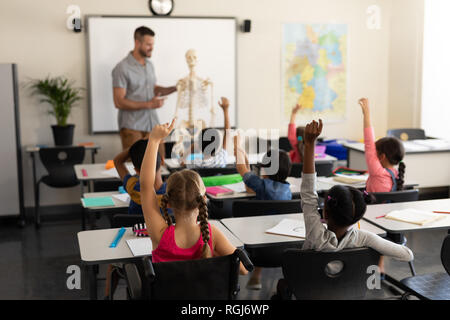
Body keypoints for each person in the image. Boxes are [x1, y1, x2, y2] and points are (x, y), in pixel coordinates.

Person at [272, 119, 414, 299]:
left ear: (324, 213)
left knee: (282, 285)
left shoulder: (315, 234)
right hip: (348, 293)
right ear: (357, 217)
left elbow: (308, 192)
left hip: (310, 291)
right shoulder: (364, 237)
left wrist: (309, 145)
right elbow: (407, 255)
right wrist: (376, 248)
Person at [139, 119, 248, 274]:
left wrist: (154, 140)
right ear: (204, 200)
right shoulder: (211, 234)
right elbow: (242, 270)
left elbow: (145, 186)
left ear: (168, 203)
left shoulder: (160, 235)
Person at [104, 139, 166, 300]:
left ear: (136, 169)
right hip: (163, 254)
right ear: (163, 161)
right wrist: (154, 142)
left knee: (113, 264)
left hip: (131, 253)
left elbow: (117, 160)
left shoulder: (134, 187)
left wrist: (136, 148)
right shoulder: (174, 193)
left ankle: (106, 297)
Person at [234, 135, 292, 289]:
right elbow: (247, 173)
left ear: (266, 168)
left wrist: (237, 145)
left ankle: (256, 275)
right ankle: (257, 276)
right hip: (283, 243)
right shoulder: (287, 190)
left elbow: (241, 169)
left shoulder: (261, 185)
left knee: (262, 227)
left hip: (256, 242)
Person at [112, 26, 177, 161]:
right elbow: (118, 101)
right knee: (135, 168)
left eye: (152, 44)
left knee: (161, 164)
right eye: (148, 44)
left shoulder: (149, 65)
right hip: (132, 128)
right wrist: (149, 104)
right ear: (137, 43)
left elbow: (153, 89)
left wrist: (176, 88)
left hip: (152, 125)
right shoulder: (122, 68)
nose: (151, 48)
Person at [359, 98, 406, 192]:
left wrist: (367, 114)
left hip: (374, 207)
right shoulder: (397, 175)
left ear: (382, 156)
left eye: (375, 153)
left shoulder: (377, 172)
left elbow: (369, 143)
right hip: (390, 207)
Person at [182, 97, 231, 168]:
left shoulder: (195, 163)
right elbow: (228, 133)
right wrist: (225, 110)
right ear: (217, 146)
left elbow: (182, 162)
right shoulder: (221, 159)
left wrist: (192, 147)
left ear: (199, 145)